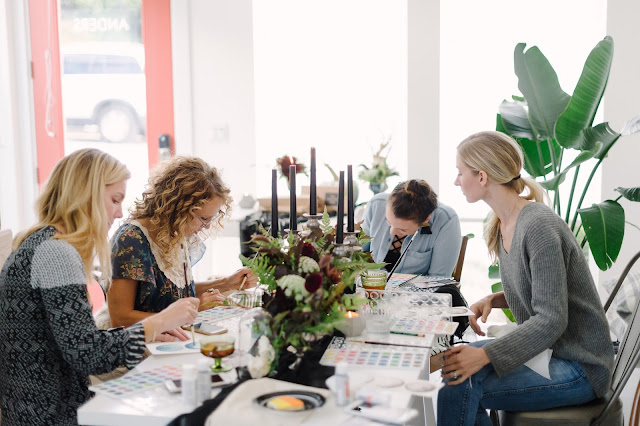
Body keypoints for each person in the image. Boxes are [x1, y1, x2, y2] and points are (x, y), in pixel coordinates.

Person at [0, 149, 200, 425]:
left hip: (31, 408)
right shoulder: (56, 253)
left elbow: (76, 342)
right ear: (87, 195)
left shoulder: (40, 243)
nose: (119, 213)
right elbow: (87, 353)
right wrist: (158, 322)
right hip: (51, 415)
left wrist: (152, 329)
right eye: (115, 199)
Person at [437, 131, 614, 425]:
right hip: (549, 353)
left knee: (461, 383)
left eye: (460, 173)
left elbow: (552, 318)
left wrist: (485, 356)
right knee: (455, 365)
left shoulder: (538, 226)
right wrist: (494, 299)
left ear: (482, 177)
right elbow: (546, 289)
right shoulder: (503, 223)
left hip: (580, 366)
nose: (457, 181)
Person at [107, 156, 257, 329]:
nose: (206, 227)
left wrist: (227, 283)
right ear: (178, 208)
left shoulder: (175, 233)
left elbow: (177, 293)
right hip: (142, 347)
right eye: (203, 219)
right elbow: (120, 319)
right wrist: (193, 310)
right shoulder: (131, 240)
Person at [362, 179, 461, 276]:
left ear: (425, 220)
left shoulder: (446, 220)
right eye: (388, 221)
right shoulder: (376, 205)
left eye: (403, 230)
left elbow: (438, 280)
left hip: (420, 292)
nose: (392, 232)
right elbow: (360, 254)